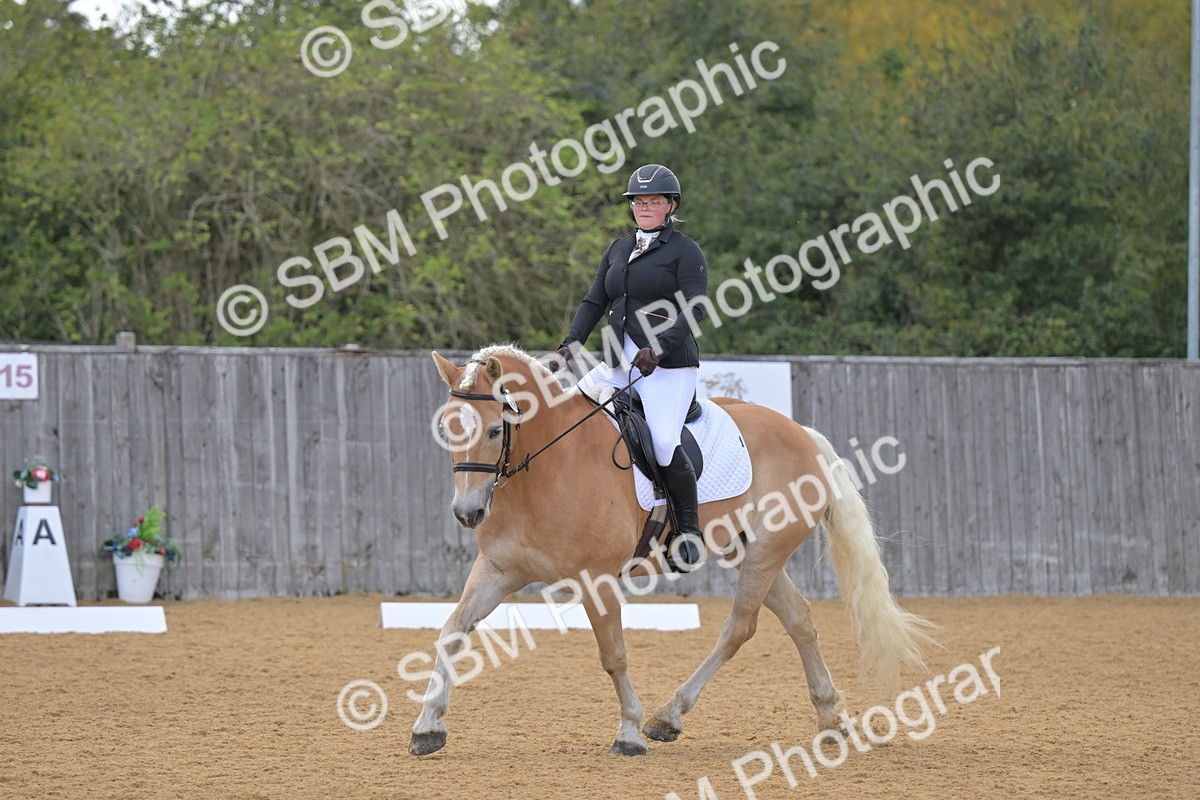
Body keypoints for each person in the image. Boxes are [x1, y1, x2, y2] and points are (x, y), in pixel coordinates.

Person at [556, 164, 708, 569]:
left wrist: (658, 348)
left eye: (653, 201)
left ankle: (688, 533)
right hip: (617, 363)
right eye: (639, 201)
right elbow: (594, 301)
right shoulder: (618, 249)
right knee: (566, 415)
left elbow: (695, 308)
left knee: (663, 442)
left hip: (668, 367)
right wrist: (571, 342)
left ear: (671, 206)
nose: (644, 207)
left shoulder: (685, 250)